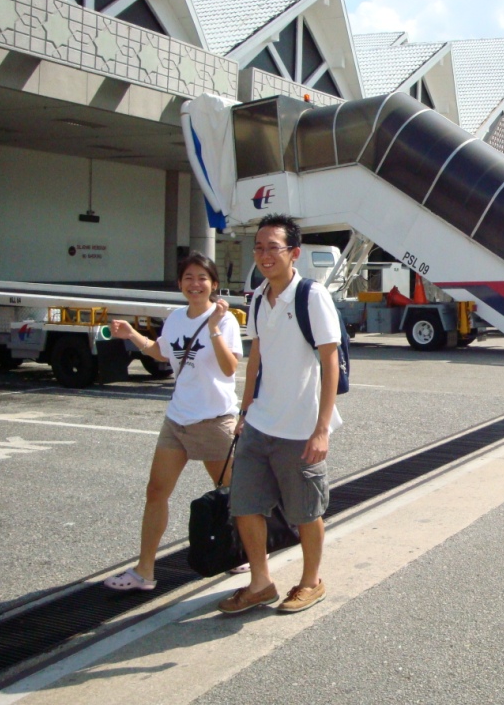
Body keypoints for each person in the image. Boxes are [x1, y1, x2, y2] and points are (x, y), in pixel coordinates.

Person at [218, 213, 342, 615]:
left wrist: (322, 428)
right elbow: (256, 357)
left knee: (306, 510)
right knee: (245, 505)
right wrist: (245, 408)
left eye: (274, 247)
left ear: (294, 253)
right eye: (259, 247)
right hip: (259, 423)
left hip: (301, 427)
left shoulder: (311, 296)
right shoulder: (258, 298)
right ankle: (260, 583)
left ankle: (311, 582)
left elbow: (330, 361)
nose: (264, 255)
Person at [104, 253, 243, 591]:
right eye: (188, 278)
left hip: (213, 420)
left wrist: (212, 329)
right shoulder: (176, 317)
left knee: (234, 496)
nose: (195, 284)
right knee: (156, 492)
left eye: (202, 278)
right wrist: (132, 335)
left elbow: (230, 368)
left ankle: (244, 554)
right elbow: (161, 351)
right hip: (177, 418)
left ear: (213, 284)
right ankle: (145, 571)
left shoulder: (224, 320)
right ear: (180, 283)